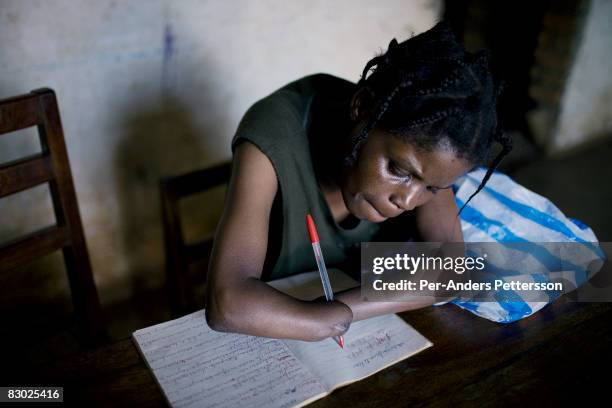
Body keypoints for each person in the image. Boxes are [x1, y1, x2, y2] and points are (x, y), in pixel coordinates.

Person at [205, 21, 511, 341]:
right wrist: (323, 319)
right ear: (361, 108)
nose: (407, 201)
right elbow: (228, 303)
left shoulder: (430, 147)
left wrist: (344, 311)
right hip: (268, 332)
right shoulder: (274, 133)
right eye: (399, 171)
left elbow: (449, 270)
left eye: (432, 188)